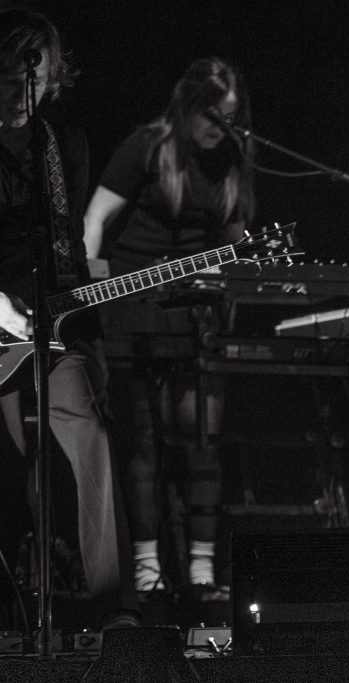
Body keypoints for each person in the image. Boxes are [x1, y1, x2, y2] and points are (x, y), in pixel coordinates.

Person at [83, 57, 255, 600]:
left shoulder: (230, 156)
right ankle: (147, 571)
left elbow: (235, 238)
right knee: (141, 443)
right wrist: (85, 295)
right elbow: (95, 220)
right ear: (187, 106)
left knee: (199, 436)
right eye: (211, 117)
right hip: (130, 305)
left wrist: (227, 272)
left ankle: (201, 573)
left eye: (227, 119)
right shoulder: (147, 147)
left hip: (193, 312)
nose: (217, 130)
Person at [0, 8, 136, 629]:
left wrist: (97, 317)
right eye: (4, 76)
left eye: (30, 74)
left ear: (48, 75)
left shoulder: (65, 146)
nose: (16, 91)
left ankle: (115, 609)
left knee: (96, 440)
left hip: (55, 326)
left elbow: (69, 252)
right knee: (9, 466)